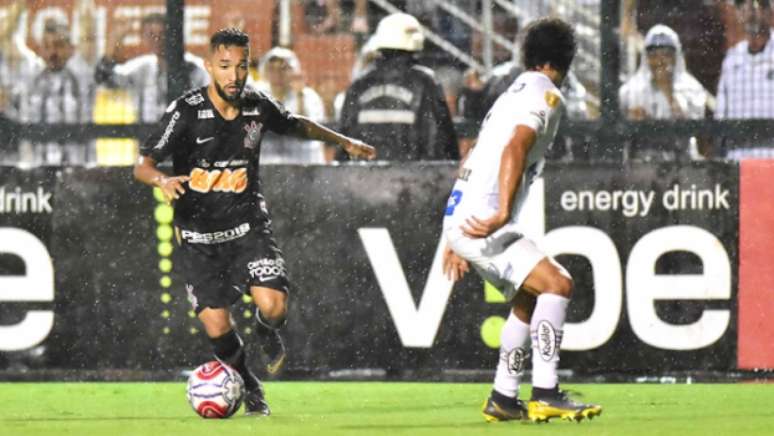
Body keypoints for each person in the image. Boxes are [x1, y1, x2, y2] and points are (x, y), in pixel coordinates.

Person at [133, 28, 375, 415]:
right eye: (225, 66)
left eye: (241, 66)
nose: (233, 75)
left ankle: (265, 329)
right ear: (210, 66)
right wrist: (162, 179)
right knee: (217, 326)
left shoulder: (256, 105)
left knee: (275, 307)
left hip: (247, 229)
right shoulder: (185, 111)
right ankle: (249, 384)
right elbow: (142, 164)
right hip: (197, 238)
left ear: (249, 66)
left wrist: (343, 141)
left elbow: (297, 123)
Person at [441, 18, 602, 423]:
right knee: (559, 284)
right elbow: (516, 145)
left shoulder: (511, 92)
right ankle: (546, 391)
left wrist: (453, 233)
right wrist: (498, 213)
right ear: (567, 58)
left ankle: (503, 397)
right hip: (482, 221)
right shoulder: (545, 94)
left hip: (465, 217)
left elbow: (475, 154)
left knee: (528, 298)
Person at [339, 12, 459, 161]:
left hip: (365, 180)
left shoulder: (359, 84)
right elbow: (441, 140)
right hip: (414, 180)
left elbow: (344, 143)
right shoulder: (426, 81)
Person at [95, 13, 209, 123]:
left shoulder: (197, 70)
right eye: (151, 34)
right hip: (148, 137)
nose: (157, 39)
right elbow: (104, 78)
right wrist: (114, 40)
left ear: (173, 35)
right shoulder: (142, 69)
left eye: (162, 34)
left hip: (186, 139)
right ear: (143, 38)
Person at [619, 24, 709, 160]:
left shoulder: (692, 89)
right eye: (653, 55)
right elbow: (618, 131)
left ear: (675, 57)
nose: (659, 61)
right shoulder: (631, 90)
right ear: (646, 58)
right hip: (643, 164)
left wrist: (668, 91)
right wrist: (632, 121)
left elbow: (696, 130)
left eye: (665, 54)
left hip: (681, 162)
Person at [16, 17, 97, 165]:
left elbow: (89, 30)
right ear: (40, 50)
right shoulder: (31, 77)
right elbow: (7, 40)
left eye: (58, 45)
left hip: (78, 170)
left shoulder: (81, 74)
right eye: (47, 46)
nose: (52, 52)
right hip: (38, 170)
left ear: (71, 48)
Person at [716, 0, 774, 159]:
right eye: (742, 4)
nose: (750, 10)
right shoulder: (731, 59)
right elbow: (721, 118)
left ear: (770, 11)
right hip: (738, 162)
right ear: (737, 13)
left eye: (760, 3)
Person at [255, 47, 327, 163]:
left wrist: (300, 96)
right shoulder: (257, 95)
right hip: (266, 167)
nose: (277, 74)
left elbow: (308, 129)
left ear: (293, 71)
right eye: (272, 68)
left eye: (283, 68)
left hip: (301, 166)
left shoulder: (308, 96)